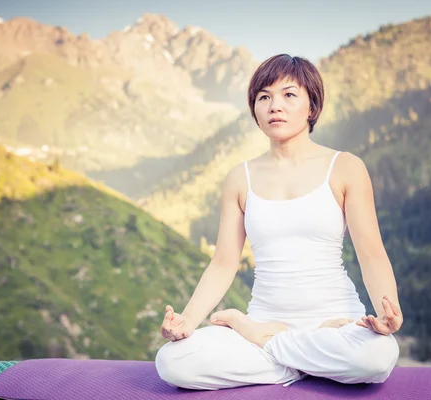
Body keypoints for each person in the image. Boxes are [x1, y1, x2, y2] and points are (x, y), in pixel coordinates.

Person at [155, 54, 403, 390]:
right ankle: (302, 355)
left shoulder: (345, 167)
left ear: (312, 107)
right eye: (264, 97)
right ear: (255, 109)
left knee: (376, 357)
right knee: (173, 362)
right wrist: (186, 323)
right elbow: (223, 263)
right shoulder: (239, 178)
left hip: (337, 320)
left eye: (289, 95)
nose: (275, 106)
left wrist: (389, 310)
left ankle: (271, 345)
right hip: (265, 319)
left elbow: (371, 252)